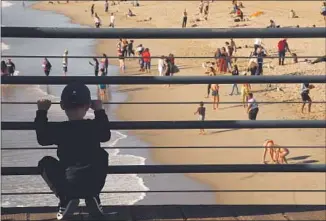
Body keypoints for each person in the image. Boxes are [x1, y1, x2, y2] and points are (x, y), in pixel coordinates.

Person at [35, 82, 111, 220]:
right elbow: (106, 135)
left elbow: (42, 138)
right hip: (92, 181)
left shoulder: (59, 129)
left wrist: (42, 111)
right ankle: (93, 196)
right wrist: (99, 110)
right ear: (88, 106)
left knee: (45, 162)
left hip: (68, 182)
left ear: (63, 106)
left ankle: (65, 198)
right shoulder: (93, 126)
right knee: (102, 154)